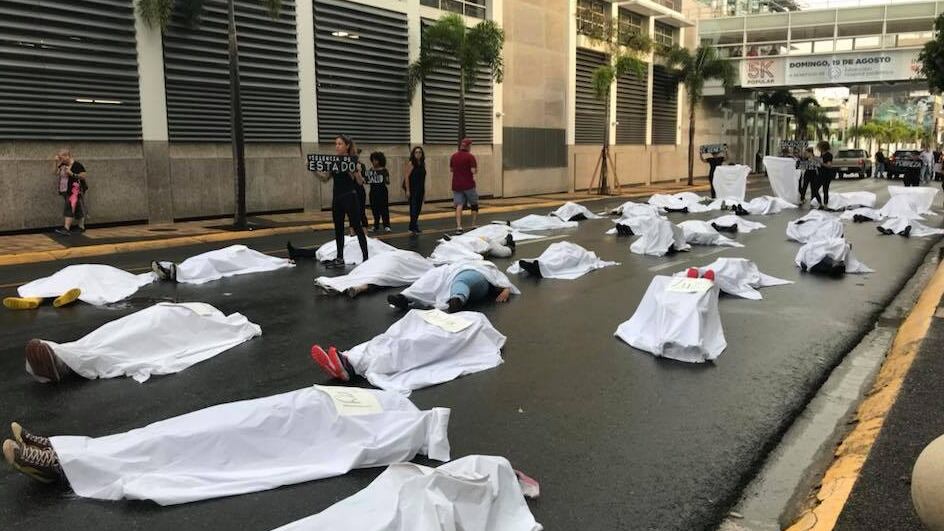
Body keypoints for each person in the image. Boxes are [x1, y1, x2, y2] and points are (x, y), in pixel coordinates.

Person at [1, 387, 450, 501]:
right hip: (275, 410)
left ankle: (63, 464)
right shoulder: (392, 403)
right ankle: (67, 449)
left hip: (276, 434)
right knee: (168, 431)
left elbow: (346, 449)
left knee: (180, 446)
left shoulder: (401, 429)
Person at [314, 135, 368, 267]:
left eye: (340, 144)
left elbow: (360, 182)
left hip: (350, 197)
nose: (337, 146)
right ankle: (340, 257)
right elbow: (325, 178)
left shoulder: (352, 161)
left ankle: (366, 257)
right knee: (338, 229)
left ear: (347, 146)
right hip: (337, 199)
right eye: (336, 144)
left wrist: (355, 171)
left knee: (357, 227)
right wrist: (314, 169)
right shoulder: (334, 161)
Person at [387, 261, 516, 313]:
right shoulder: (468, 262)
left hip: (474, 275)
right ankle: (404, 297)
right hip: (453, 271)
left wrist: (506, 289)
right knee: (430, 277)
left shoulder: (489, 267)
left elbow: (501, 280)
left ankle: (457, 299)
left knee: (462, 282)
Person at [53, 150, 88, 236]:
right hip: (65, 190)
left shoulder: (77, 165)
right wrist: (55, 162)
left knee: (69, 207)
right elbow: (55, 173)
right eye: (59, 158)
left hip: (74, 190)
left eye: (61, 158)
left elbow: (83, 176)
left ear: (67, 156)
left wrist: (72, 174)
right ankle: (81, 227)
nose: (61, 160)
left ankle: (66, 228)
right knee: (77, 208)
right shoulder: (63, 164)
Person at [451, 138, 479, 234]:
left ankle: (459, 226)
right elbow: (473, 171)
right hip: (468, 185)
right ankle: (473, 224)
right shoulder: (470, 157)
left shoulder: (454, 156)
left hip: (456, 184)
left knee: (459, 205)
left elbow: (451, 169)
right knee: (474, 204)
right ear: (468, 146)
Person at [365, 151, 391, 232]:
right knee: (374, 208)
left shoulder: (384, 170)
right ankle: (376, 225)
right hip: (373, 191)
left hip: (382, 191)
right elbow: (367, 180)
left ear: (380, 160)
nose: (374, 162)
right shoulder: (371, 170)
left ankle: (386, 225)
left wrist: (385, 178)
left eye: (376, 160)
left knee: (384, 208)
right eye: (373, 160)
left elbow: (387, 181)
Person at [404, 146, 427, 234]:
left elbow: (423, 179)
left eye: (420, 152)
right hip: (413, 189)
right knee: (413, 209)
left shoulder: (423, 164)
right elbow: (406, 177)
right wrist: (408, 190)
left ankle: (412, 226)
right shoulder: (411, 164)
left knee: (418, 209)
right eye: (416, 152)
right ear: (413, 154)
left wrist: (424, 192)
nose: (418, 154)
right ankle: (414, 226)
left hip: (420, 189)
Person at [817, 141, 834, 209]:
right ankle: (820, 203)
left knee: (825, 189)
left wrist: (821, 163)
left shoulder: (829, 155)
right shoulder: (821, 154)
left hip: (826, 175)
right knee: (815, 189)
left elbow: (829, 165)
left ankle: (825, 204)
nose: (818, 148)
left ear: (823, 147)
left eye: (819, 147)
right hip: (820, 174)